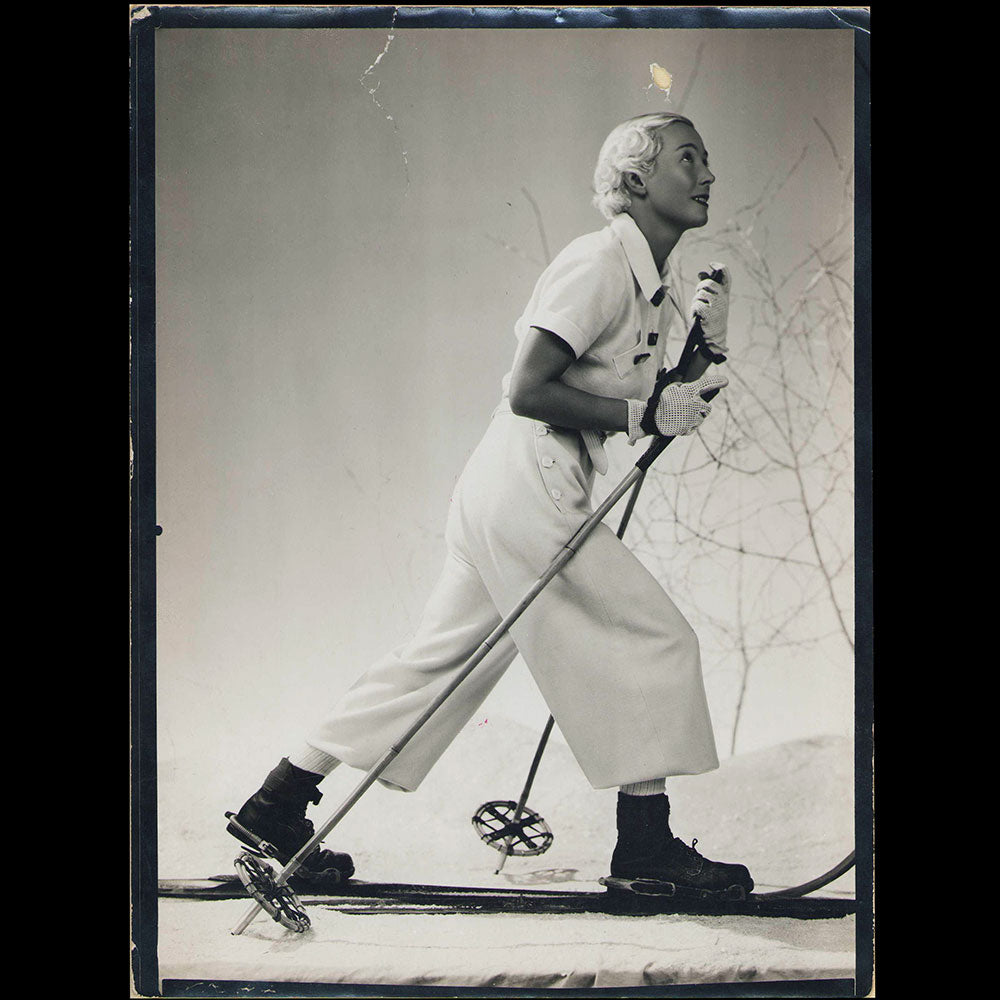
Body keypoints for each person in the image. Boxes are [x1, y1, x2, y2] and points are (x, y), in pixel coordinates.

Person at [228, 111, 753, 896]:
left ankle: (274, 805)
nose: (707, 173)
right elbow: (528, 389)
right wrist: (643, 412)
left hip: (510, 486)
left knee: (440, 657)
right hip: (527, 483)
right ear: (638, 179)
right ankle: (645, 851)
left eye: (705, 159)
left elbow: (656, 407)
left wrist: (703, 352)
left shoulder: (651, 282)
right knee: (654, 638)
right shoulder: (598, 263)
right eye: (689, 158)